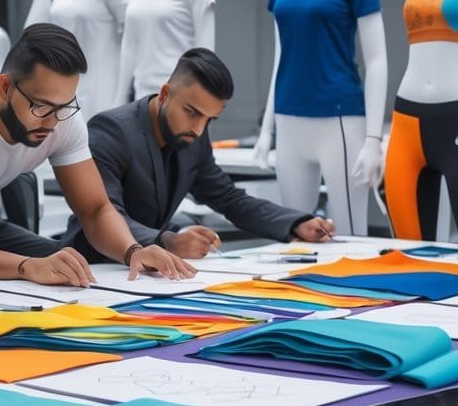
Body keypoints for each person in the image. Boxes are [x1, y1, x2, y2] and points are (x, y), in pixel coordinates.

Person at [0, 23, 196, 286]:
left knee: (75, 271)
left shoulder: (62, 117)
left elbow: (95, 209)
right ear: (5, 88)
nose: (52, 121)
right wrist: (28, 267)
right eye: (41, 106)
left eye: (64, 106)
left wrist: (133, 251)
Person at [65, 48, 335, 260]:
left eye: (210, 119)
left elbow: (228, 198)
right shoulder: (110, 130)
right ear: (164, 94)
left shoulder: (193, 134)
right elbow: (104, 214)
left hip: (153, 273)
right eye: (192, 112)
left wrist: (296, 222)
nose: (198, 129)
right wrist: (169, 240)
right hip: (93, 266)